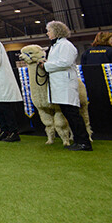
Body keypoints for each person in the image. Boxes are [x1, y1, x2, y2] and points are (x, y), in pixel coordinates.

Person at [44, 21, 92, 151]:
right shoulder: (56, 46)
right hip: (59, 84)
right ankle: (78, 140)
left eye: (49, 30)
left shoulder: (66, 45)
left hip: (65, 84)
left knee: (73, 114)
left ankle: (84, 142)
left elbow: (65, 62)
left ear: (56, 31)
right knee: (69, 114)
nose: (48, 33)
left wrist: (46, 65)